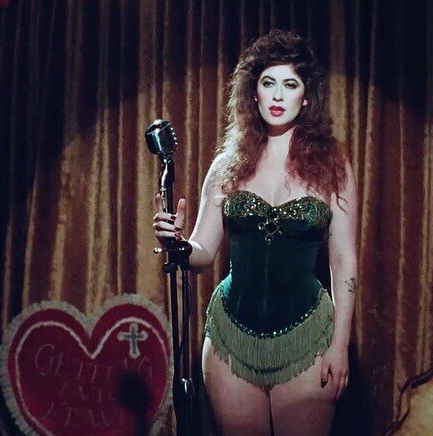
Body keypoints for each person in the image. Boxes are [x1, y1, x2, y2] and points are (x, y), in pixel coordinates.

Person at [152, 29, 358, 435]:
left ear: (306, 96)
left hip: (308, 341)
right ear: (254, 92)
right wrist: (176, 244)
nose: (278, 95)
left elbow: (343, 258)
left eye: (290, 84)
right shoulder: (228, 165)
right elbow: (203, 252)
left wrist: (341, 345)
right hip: (230, 343)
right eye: (268, 83)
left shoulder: (333, 165)